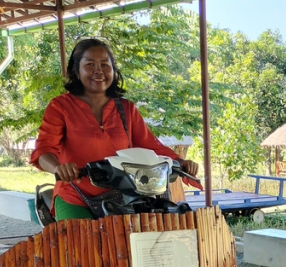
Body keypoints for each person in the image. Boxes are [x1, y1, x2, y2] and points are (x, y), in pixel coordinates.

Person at [31, 37, 200, 220]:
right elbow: (44, 150)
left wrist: (180, 162)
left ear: (113, 70)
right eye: (90, 64)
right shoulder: (60, 107)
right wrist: (59, 168)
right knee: (78, 243)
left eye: (105, 64)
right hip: (76, 196)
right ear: (77, 71)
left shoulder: (126, 108)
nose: (98, 71)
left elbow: (151, 145)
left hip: (125, 196)